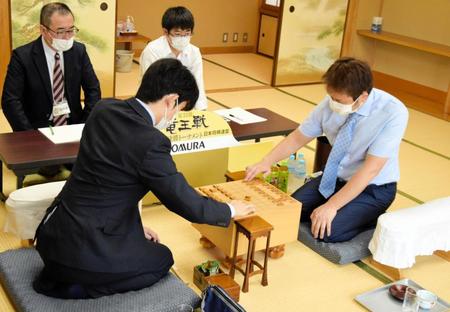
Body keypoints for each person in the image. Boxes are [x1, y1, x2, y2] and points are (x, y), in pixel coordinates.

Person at [33, 58, 255, 299]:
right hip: (84, 251)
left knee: (142, 243)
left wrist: (135, 229)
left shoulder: (103, 109)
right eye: (178, 111)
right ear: (171, 100)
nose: (174, 118)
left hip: (51, 235)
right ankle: (78, 288)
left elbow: (108, 183)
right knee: (162, 258)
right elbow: (184, 202)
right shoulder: (151, 142)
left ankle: (69, 275)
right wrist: (231, 209)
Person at [246, 57, 408, 243]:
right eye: (331, 96)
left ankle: (371, 217)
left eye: (338, 100)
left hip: (374, 188)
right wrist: (266, 161)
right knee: (292, 212)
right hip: (335, 178)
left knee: (327, 232)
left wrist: (331, 206)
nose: (332, 102)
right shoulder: (331, 102)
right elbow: (299, 136)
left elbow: (371, 169)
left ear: (362, 97)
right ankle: (342, 209)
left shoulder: (393, 112)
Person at [2, 2, 101, 132]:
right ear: (43, 30)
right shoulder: (22, 56)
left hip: (73, 124)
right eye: (60, 31)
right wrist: (29, 135)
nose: (67, 37)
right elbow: (10, 101)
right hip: (37, 128)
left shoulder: (78, 51)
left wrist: (84, 125)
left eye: (71, 30)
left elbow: (93, 90)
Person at [140, 6, 207, 110]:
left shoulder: (194, 52)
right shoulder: (152, 51)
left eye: (187, 33)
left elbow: (198, 83)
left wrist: (202, 110)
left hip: (183, 103)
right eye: (178, 34)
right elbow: (151, 86)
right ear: (165, 32)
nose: (183, 38)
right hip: (155, 101)